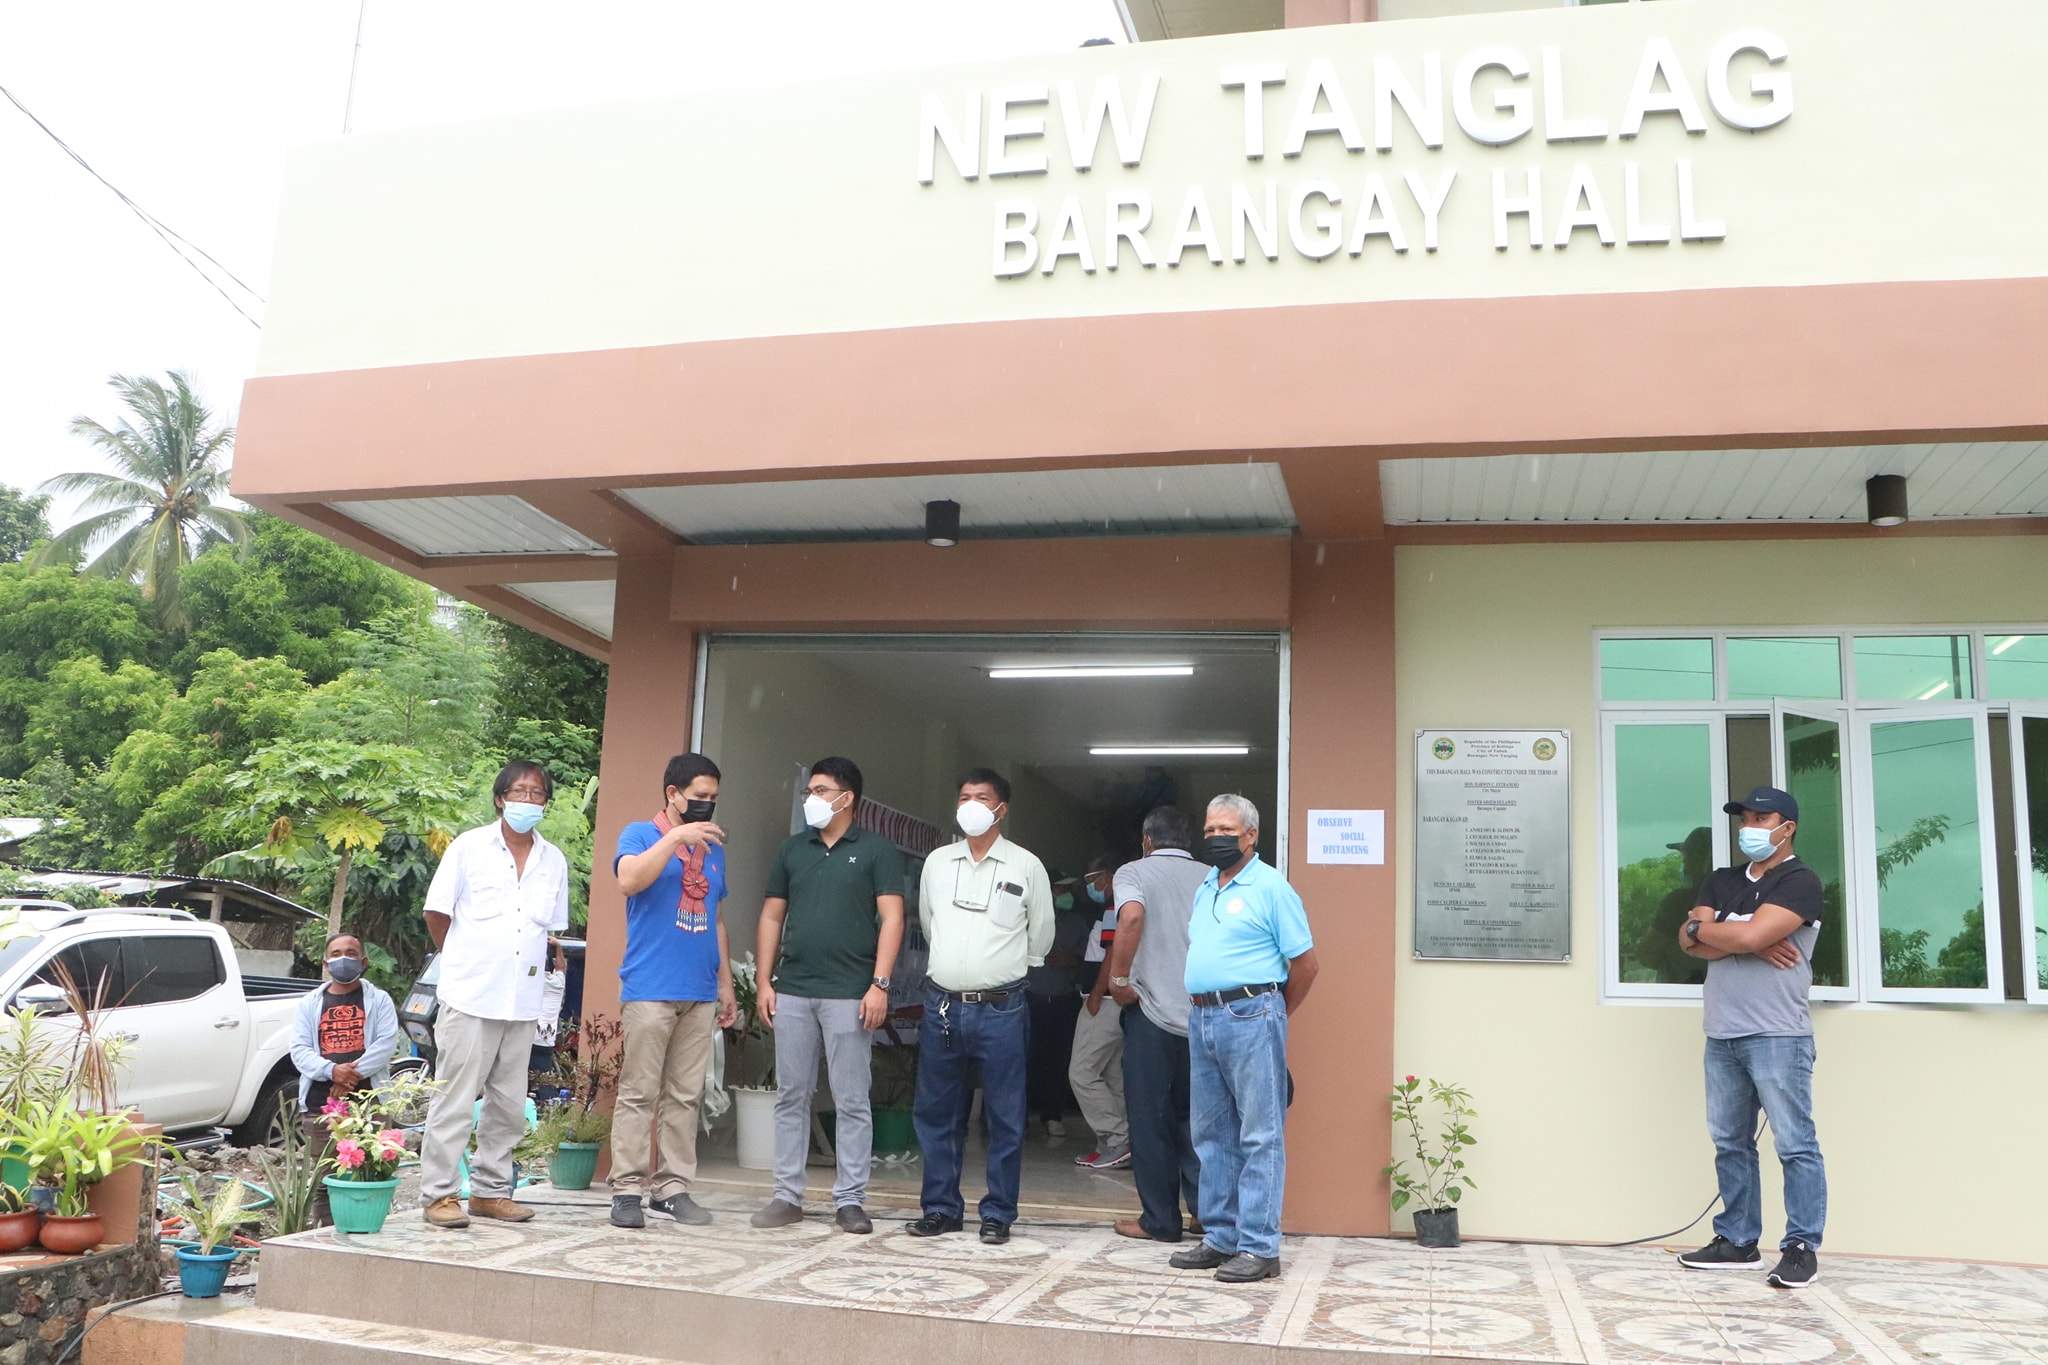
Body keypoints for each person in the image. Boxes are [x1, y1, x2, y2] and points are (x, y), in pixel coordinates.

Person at [1675, 785, 1827, 1290]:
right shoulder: (1720, 879)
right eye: (1745, 817)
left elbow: (1726, 936)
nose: (1751, 827)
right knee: (1730, 1142)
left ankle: (1801, 1246)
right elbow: (1687, 940)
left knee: (1795, 1144)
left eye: (1762, 818)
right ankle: (1738, 1241)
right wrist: (1746, 939)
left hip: (1777, 1034)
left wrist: (1726, 933)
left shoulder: (1800, 881)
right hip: (1722, 1032)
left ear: (1788, 826)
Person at [751, 757, 906, 1234]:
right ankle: (786, 1196)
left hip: (849, 994)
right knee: (791, 1095)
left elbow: (893, 920)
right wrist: (763, 981)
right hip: (793, 990)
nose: (810, 799)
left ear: (846, 798)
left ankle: (851, 1200)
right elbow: (772, 916)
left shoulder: (877, 851)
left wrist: (879, 984)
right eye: (808, 791)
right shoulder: (793, 850)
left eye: (820, 790)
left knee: (852, 1099)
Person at [1169, 794, 1318, 1283]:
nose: (1215, 838)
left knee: (1259, 1133)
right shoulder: (1206, 885)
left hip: (1252, 1013)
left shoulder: (1272, 887)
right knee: (1211, 1134)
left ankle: (1259, 1247)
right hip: (1204, 1017)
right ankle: (1221, 1237)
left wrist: (1272, 1012)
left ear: (1251, 835)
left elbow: (1306, 965)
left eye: (1226, 830)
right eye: (1209, 830)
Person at [417, 760, 570, 1230]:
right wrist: (463, 959)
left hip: (522, 1000)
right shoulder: (468, 847)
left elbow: (549, 931)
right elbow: (436, 914)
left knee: (507, 1102)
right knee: (456, 1098)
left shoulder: (554, 860)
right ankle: (439, 1195)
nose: (528, 801)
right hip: (470, 995)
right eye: (519, 792)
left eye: (537, 794)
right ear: (501, 798)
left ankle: (490, 1192)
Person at [909, 768, 1054, 1244]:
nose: (971, 803)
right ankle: (941, 1208)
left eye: (982, 797)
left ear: (1001, 809)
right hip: (943, 1007)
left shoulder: (1025, 866)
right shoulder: (937, 862)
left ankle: (998, 1213)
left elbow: (1041, 936)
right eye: (964, 795)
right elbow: (929, 925)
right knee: (937, 1111)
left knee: (1005, 1115)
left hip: (1001, 1008)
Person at [607, 753, 739, 1230]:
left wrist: (726, 984)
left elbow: (717, 920)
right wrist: (676, 837)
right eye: (699, 797)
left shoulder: (716, 849)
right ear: (673, 794)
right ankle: (626, 1189)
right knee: (639, 1093)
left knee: (686, 1096)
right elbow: (629, 879)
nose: (707, 806)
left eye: (713, 799)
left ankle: (672, 1187)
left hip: (699, 990)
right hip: (650, 987)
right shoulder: (640, 834)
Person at [1103, 807, 1207, 1239]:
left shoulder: (1134, 871)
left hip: (1150, 1015)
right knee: (1199, 1123)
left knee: (1150, 1120)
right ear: (1190, 841)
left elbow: (1129, 917)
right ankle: (1207, 1214)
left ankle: (1160, 1221)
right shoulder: (1213, 876)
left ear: (1147, 840)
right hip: (1204, 1017)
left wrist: (1118, 979)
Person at [288, 932, 398, 1226]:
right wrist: (332, 1071)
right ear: (326, 963)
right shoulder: (310, 1003)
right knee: (327, 1181)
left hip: (369, 1106)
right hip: (321, 1107)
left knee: (371, 1176)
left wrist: (349, 1076)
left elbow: (386, 1044)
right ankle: (327, 1238)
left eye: (351, 953)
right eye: (336, 953)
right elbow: (299, 1050)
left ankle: (367, 1239)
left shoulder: (379, 1000)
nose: (344, 958)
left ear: (363, 961)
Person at [1068, 854, 1130, 1170]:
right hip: (1113, 1001)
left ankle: (1117, 1138)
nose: (1091, 886)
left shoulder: (1114, 906)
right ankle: (1113, 1146)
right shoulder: (1119, 905)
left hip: (1103, 1001)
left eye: (1094, 879)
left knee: (1081, 1072)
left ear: (1109, 875)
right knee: (1111, 1076)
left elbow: (1113, 951)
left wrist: (1096, 992)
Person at [1025, 874, 1088, 1141]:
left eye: (1068, 889)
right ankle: (1018, 1118)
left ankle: (1053, 1115)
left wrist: (1071, 959)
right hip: (1030, 998)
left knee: (1058, 1060)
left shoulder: (1077, 921)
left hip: (1064, 999)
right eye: (1060, 888)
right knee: (1024, 1058)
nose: (1065, 893)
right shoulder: (1028, 919)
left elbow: (1091, 957)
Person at [1638, 827, 1712, 985]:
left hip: (1680, 988)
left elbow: (1647, 954)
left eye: (1687, 860)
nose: (1685, 868)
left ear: (1705, 861)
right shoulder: (1735, 897)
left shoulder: (1678, 902)